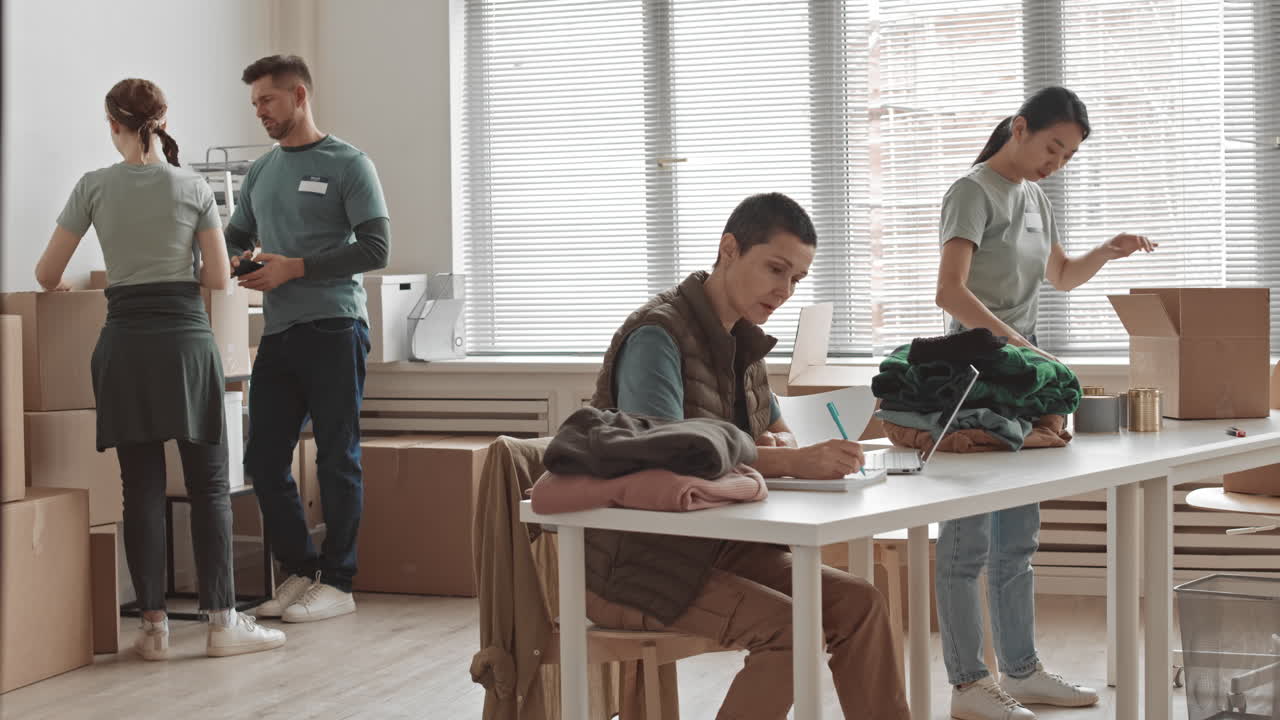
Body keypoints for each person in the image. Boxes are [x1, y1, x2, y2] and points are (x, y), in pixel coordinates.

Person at [584, 193, 910, 719]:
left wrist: (784, 449)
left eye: (797, 279)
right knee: (793, 631)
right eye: (776, 269)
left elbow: (778, 435)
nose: (785, 290)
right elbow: (663, 453)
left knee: (860, 605)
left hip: (721, 546)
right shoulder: (656, 335)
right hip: (638, 560)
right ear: (730, 249)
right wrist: (785, 460)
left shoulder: (744, 341)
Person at [34, 78, 286, 659]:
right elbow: (218, 279)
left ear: (113, 125)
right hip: (185, 346)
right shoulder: (192, 185)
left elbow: (47, 274)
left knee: (141, 489)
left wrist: (73, 285)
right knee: (209, 487)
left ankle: (153, 630)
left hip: (124, 346)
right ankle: (222, 623)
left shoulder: (93, 186)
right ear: (164, 120)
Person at [933, 86, 1156, 720]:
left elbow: (1059, 276)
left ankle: (1022, 671)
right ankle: (968, 686)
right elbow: (949, 291)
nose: (1055, 163)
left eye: (1067, 157)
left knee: (1018, 539)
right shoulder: (971, 192)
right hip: (972, 374)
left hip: (1022, 376)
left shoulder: (1036, 199)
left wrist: (1105, 252)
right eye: (1052, 148)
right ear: (1020, 128)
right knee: (967, 543)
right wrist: (1018, 345)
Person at [226, 55, 391, 622]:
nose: (260, 112)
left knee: (336, 456)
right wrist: (240, 260)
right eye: (254, 104)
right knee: (263, 458)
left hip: (335, 327)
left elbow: (375, 248)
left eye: (267, 100)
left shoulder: (349, 164)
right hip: (279, 332)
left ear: (299, 95)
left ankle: (339, 582)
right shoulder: (260, 172)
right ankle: (301, 572)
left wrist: (294, 267)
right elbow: (235, 236)